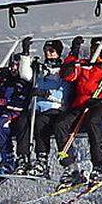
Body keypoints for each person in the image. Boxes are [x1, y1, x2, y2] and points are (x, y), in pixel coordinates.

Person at [55, 36, 102, 186]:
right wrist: (73, 53)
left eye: (100, 50)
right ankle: (71, 167)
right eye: (94, 49)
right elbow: (67, 75)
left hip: (101, 105)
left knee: (93, 122)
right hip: (81, 104)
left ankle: (99, 165)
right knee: (61, 124)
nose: (97, 53)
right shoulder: (85, 65)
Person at [13, 39, 69, 179]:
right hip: (36, 106)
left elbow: (65, 93)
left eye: (52, 51)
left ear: (58, 53)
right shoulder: (40, 69)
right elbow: (26, 75)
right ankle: (23, 157)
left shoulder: (64, 71)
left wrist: (46, 94)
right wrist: (25, 55)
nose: (48, 54)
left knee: (41, 123)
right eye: (46, 51)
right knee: (23, 121)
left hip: (54, 108)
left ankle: (42, 160)